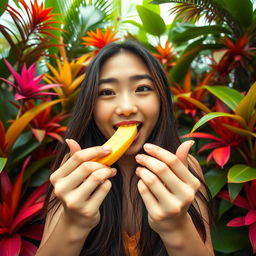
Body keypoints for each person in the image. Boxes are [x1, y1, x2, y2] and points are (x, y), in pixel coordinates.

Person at [35, 40, 214, 256]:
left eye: (143, 88)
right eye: (107, 92)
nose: (127, 108)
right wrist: (73, 223)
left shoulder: (184, 169)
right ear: (90, 105)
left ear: (161, 99)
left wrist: (176, 227)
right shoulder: (74, 173)